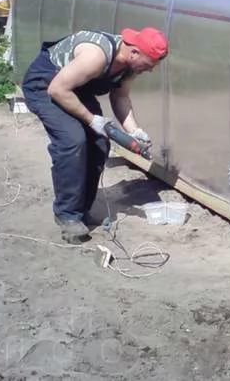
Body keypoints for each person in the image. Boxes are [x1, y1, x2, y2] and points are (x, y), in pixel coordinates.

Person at [22, 27, 168, 242]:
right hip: (47, 86)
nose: (149, 70)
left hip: (77, 90)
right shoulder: (96, 55)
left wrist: (134, 131)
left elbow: (120, 97)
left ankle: (81, 210)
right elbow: (58, 90)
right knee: (73, 141)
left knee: (99, 143)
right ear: (134, 52)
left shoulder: (129, 65)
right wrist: (92, 120)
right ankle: (67, 215)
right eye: (148, 65)